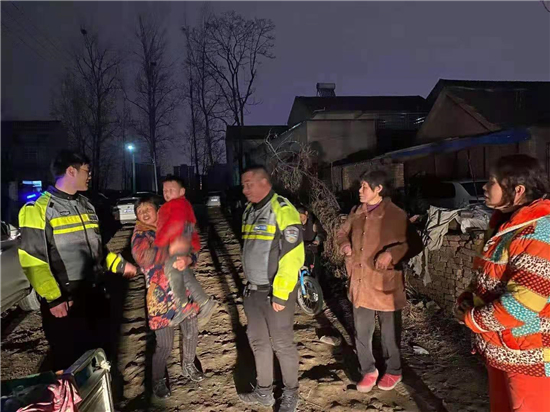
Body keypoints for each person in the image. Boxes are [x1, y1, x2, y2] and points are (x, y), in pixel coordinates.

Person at [18, 150, 137, 371]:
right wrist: (54, 298)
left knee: (101, 358)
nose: (89, 176)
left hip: (96, 295)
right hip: (67, 301)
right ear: (71, 171)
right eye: (86, 171)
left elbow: (97, 251)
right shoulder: (38, 209)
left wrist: (121, 265)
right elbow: (33, 259)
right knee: (71, 365)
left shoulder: (86, 205)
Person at [454, 154, 550, 412]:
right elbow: (488, 276)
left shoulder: (538, 231)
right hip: (502, 347)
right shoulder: (504, 225)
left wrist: (473, 319)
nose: (485, 187)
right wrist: (468, 298)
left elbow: (523, 304)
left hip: (530, 356)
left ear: (518, 190)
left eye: (492, 181)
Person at [238, 165, 304, 412]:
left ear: (264, 182)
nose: (245, 190)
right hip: (253, 291)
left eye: (249, 184)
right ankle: (264, 391)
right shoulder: (249, 210)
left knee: (282, 344)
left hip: (275, 292)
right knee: (259, 343)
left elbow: (293, 254)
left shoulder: (282, 209)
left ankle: (290, 395)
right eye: (243, 185)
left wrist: (281, 292)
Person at [336, 169, 409, 393]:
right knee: (362, 330)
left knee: (389, 332)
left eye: (364, 186)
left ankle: (393, 370)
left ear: (378, 189)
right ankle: (368, 370)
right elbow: (342, 233)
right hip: (360, 281)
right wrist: (344, 245)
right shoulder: (357, 212)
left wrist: (391, 254)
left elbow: (410, 244)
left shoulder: (395, 215)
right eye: (361, 186)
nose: (360, 190)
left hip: (385, 284)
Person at [131, 195, 204, 399]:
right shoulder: (140, 235)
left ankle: (188, 364)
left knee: (191, 331)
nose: (144, 213)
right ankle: (158, 379)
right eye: (140, 211)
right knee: (164, 344)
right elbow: (144, 258)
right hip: (160, 297)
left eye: (147, 209)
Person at [155, 175, 217, 328]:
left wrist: (160, 242)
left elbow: (175, 225)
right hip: (182, 243)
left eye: (171, 190)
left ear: (182, 191)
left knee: (172, 268)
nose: (167, 193)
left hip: (176, 244)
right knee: (185, 274)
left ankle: (183, 305)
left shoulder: (176, 205)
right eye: (165, 190)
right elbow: (189, 226)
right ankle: (204, 302)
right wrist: (193, 244)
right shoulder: (184, 205)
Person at [297, 205, 326, 269]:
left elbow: (322, 233)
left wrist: (318, 240)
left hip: (313, 252)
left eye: (301, 216)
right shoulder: (296, 224)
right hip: (301, 251)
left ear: (306, 213)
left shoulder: (313, 223)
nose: (299, 218)